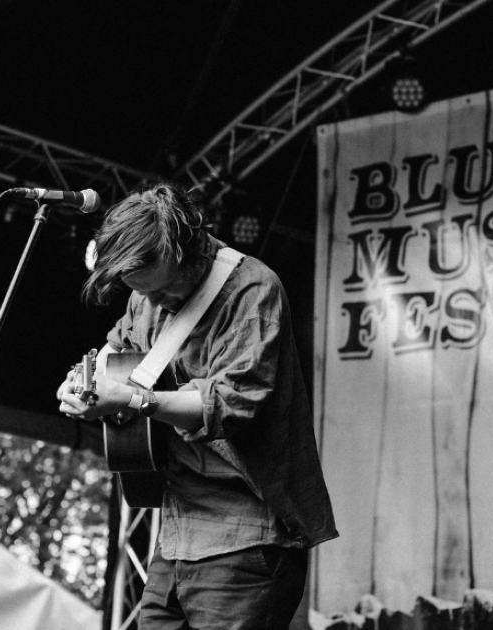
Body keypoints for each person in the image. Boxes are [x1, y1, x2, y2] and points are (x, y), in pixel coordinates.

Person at [56, 181, 338, 630]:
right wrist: (82, 381)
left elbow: (228, 406)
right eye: (142, 295)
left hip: (246, 537)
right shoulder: (145, 296)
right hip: (177, 533)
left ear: (194, 253)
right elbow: (115, 353)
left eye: (162, 293)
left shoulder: (252, 290)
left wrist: (131, 397)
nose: (152, 304)